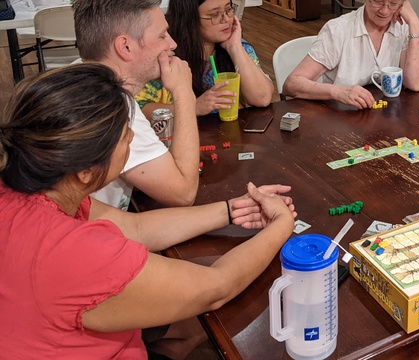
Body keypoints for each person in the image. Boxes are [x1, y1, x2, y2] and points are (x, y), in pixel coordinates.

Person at [0, 63, 295, 358]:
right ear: (86, 171)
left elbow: (135, 228)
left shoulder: (30, 186)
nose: (131, 136)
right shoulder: (72, 253)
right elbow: (217, 287)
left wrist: (231, 210)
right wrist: (281, 225)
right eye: (124, 133)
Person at [73, 0, 199, 210]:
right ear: (126, 47)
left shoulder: (78, 76)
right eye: (162, 36)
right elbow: (183, 194)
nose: (173, 44)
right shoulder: (110, 106)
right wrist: (183, 94)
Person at [283, 0, 419, 108]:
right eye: (377, 1)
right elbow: (291, 85)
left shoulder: (403, 27)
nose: (385, 11)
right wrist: (337, 92)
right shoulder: (338, 30)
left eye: (393, 4)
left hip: (383, 117)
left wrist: (414, 23)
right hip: (338, 118)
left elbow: (415, 84)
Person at [136, 0, 273, 118]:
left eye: (228, 9)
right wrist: (193, 108)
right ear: (189, 19)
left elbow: (262, 99)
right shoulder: (167, 57)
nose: (226, 19)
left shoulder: (240, 49)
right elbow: (139, 108)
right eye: (214, 14)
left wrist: (235, 48)